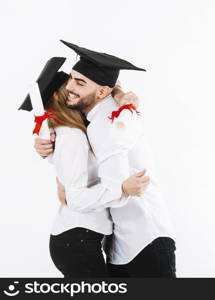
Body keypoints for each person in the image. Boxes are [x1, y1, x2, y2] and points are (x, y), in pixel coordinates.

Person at [35, 41, 177, 278]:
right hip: (121, 243)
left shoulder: (107, 126)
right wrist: (49, 151)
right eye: (71, 78)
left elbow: (119, 192)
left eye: (79, 82)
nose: (69, 86)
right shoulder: (94, 115)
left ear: (102, 92)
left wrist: (73, 196)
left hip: (143, 239)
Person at [20, 57, 149, 277]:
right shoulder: (72, 137)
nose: (71, 89)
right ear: (61, 99)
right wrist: (122, 189)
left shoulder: (78, 132)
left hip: (82, 237)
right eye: (68, 86)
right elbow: (76, 198)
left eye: (77, 83)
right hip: (77, 238)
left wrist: (118, 94)